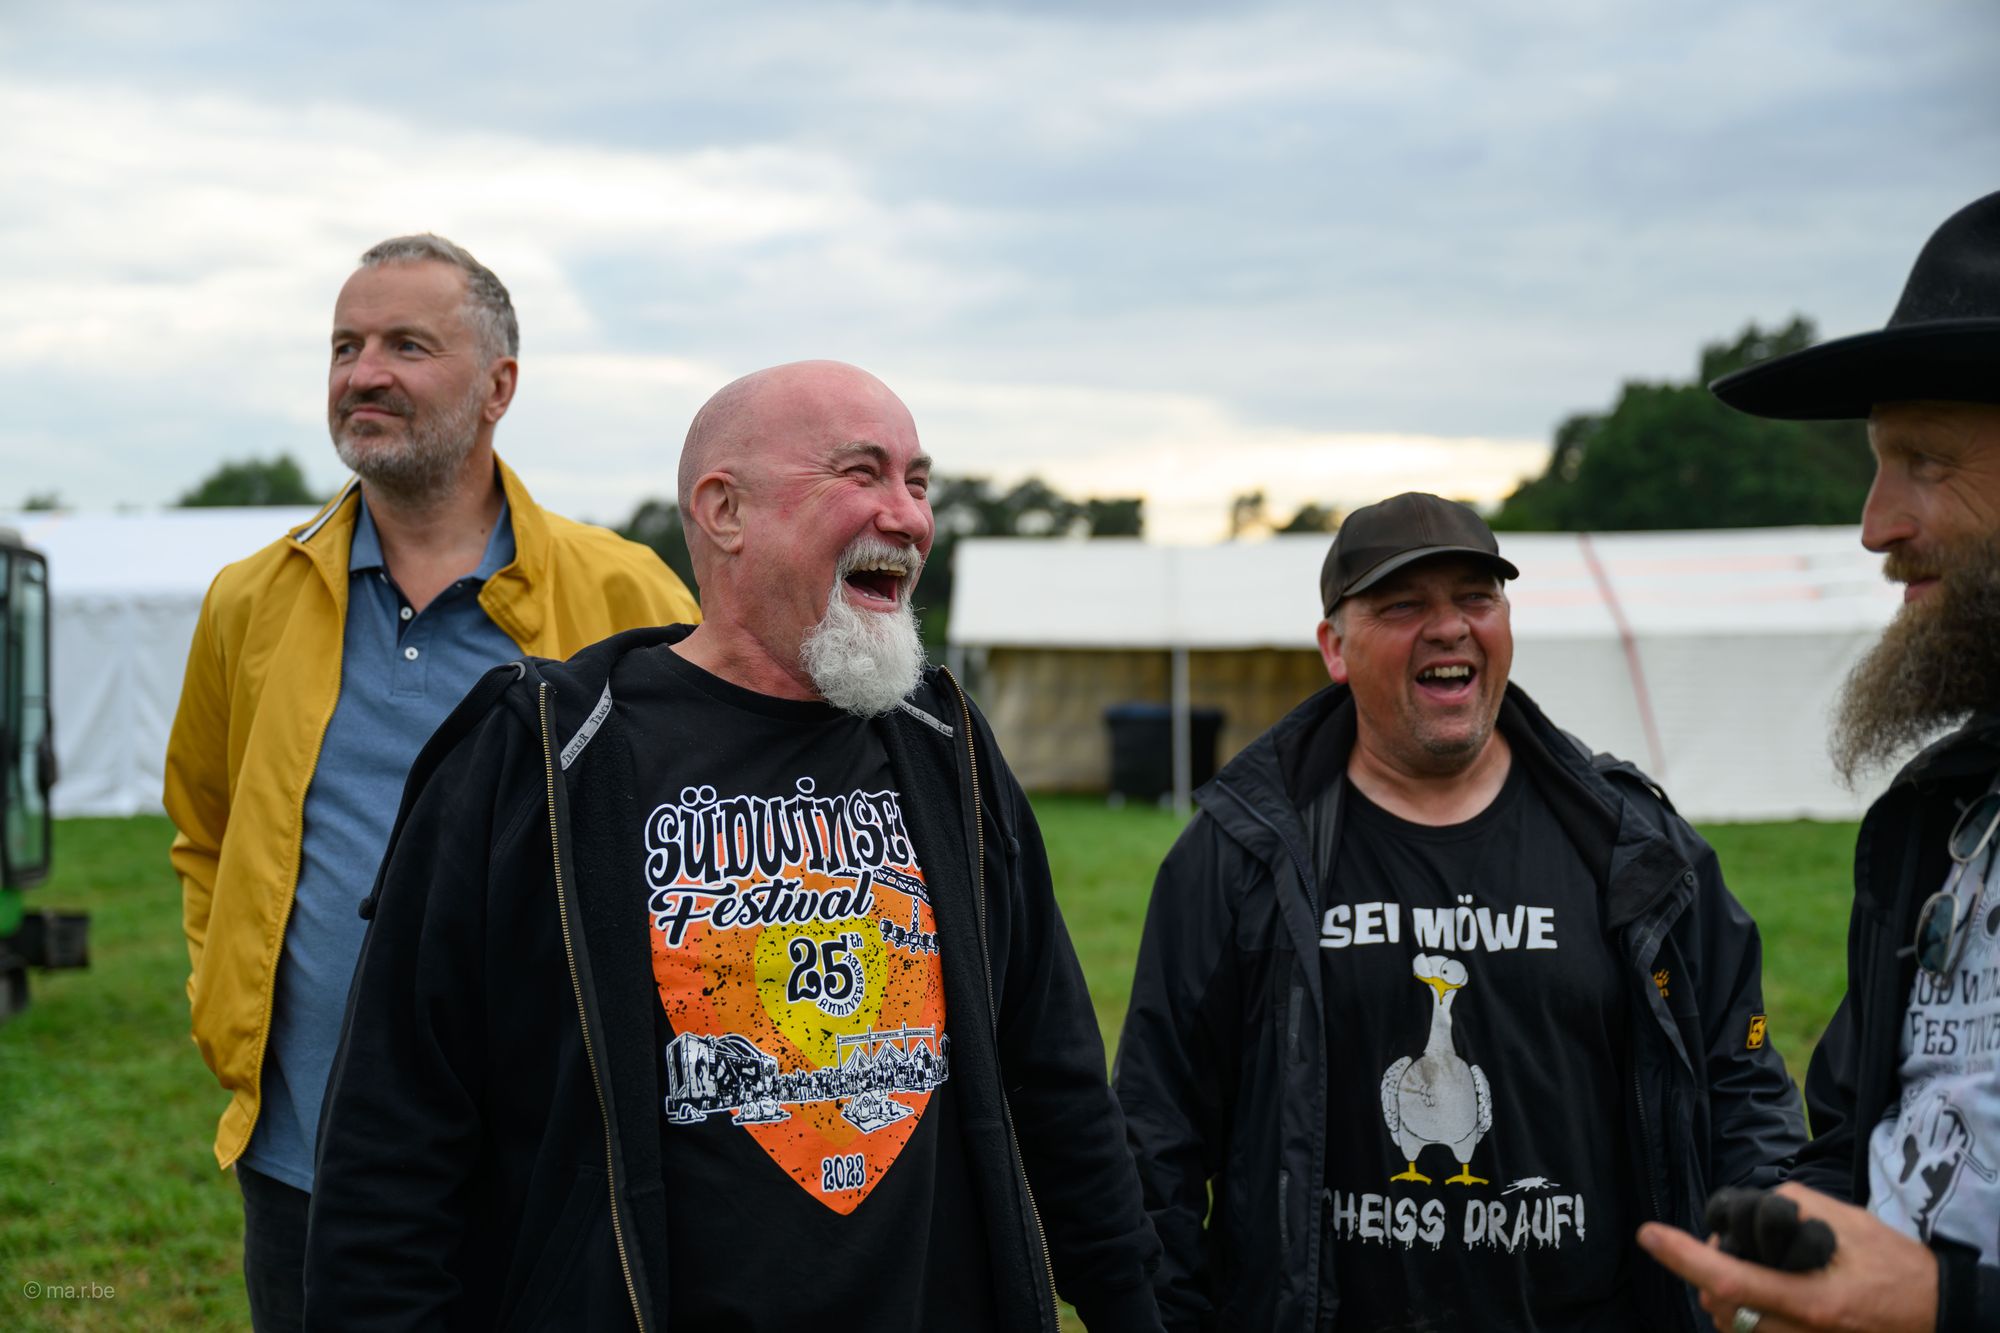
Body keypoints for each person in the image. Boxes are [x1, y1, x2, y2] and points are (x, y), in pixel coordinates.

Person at [302, 360, 1163, 1331]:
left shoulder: (944, 749)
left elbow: (1054, 1078)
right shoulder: (542, 755)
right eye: (862, 473)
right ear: (724, 511)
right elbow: (394, 1133)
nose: (909, 516)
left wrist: (1130, 1305)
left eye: (917, 482)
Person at [164, 233, 699, 1332]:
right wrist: (222, 1003)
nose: (363, 373)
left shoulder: (628, 592)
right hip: (307, 1159)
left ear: (499, 386)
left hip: (557, 1162)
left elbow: (693, 840)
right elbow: (205, 830)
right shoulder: (248, 601)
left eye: (407, 345)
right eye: (345, 346)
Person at [1114, 491, 1805, 1331]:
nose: (1449, 627)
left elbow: (1740, 1077)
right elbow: (1156, 1131)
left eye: (1476, 598)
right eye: (1403, 605)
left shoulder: (1632, 845)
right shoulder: (1239, 854)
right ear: (1335, 647)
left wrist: (1765, 1243)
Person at [1639, 192, 2000, 1332]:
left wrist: (1943, 1303)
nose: (1873, 523)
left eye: (1924, 462)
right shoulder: (1937, 820)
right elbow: (1861, 1134)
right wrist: (1803, 1223)